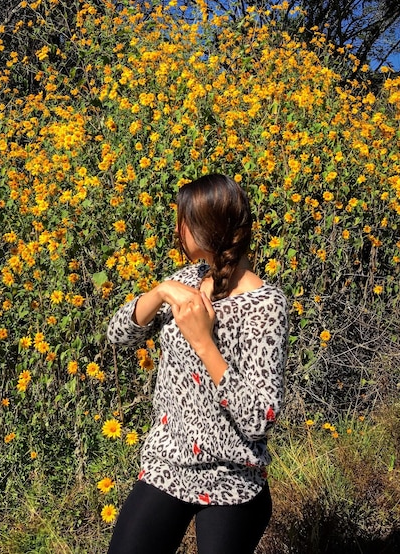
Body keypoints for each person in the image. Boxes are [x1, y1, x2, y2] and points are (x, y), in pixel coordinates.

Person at [106, 174, 288, 554]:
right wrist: (158, 292)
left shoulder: (265, 306)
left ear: (203, 228)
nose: (177, 229)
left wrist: (204, 343)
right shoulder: (188, 280)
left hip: (232, 476)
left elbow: (259, 420)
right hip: (168, 464)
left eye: (182, 220)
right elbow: (118, 336)